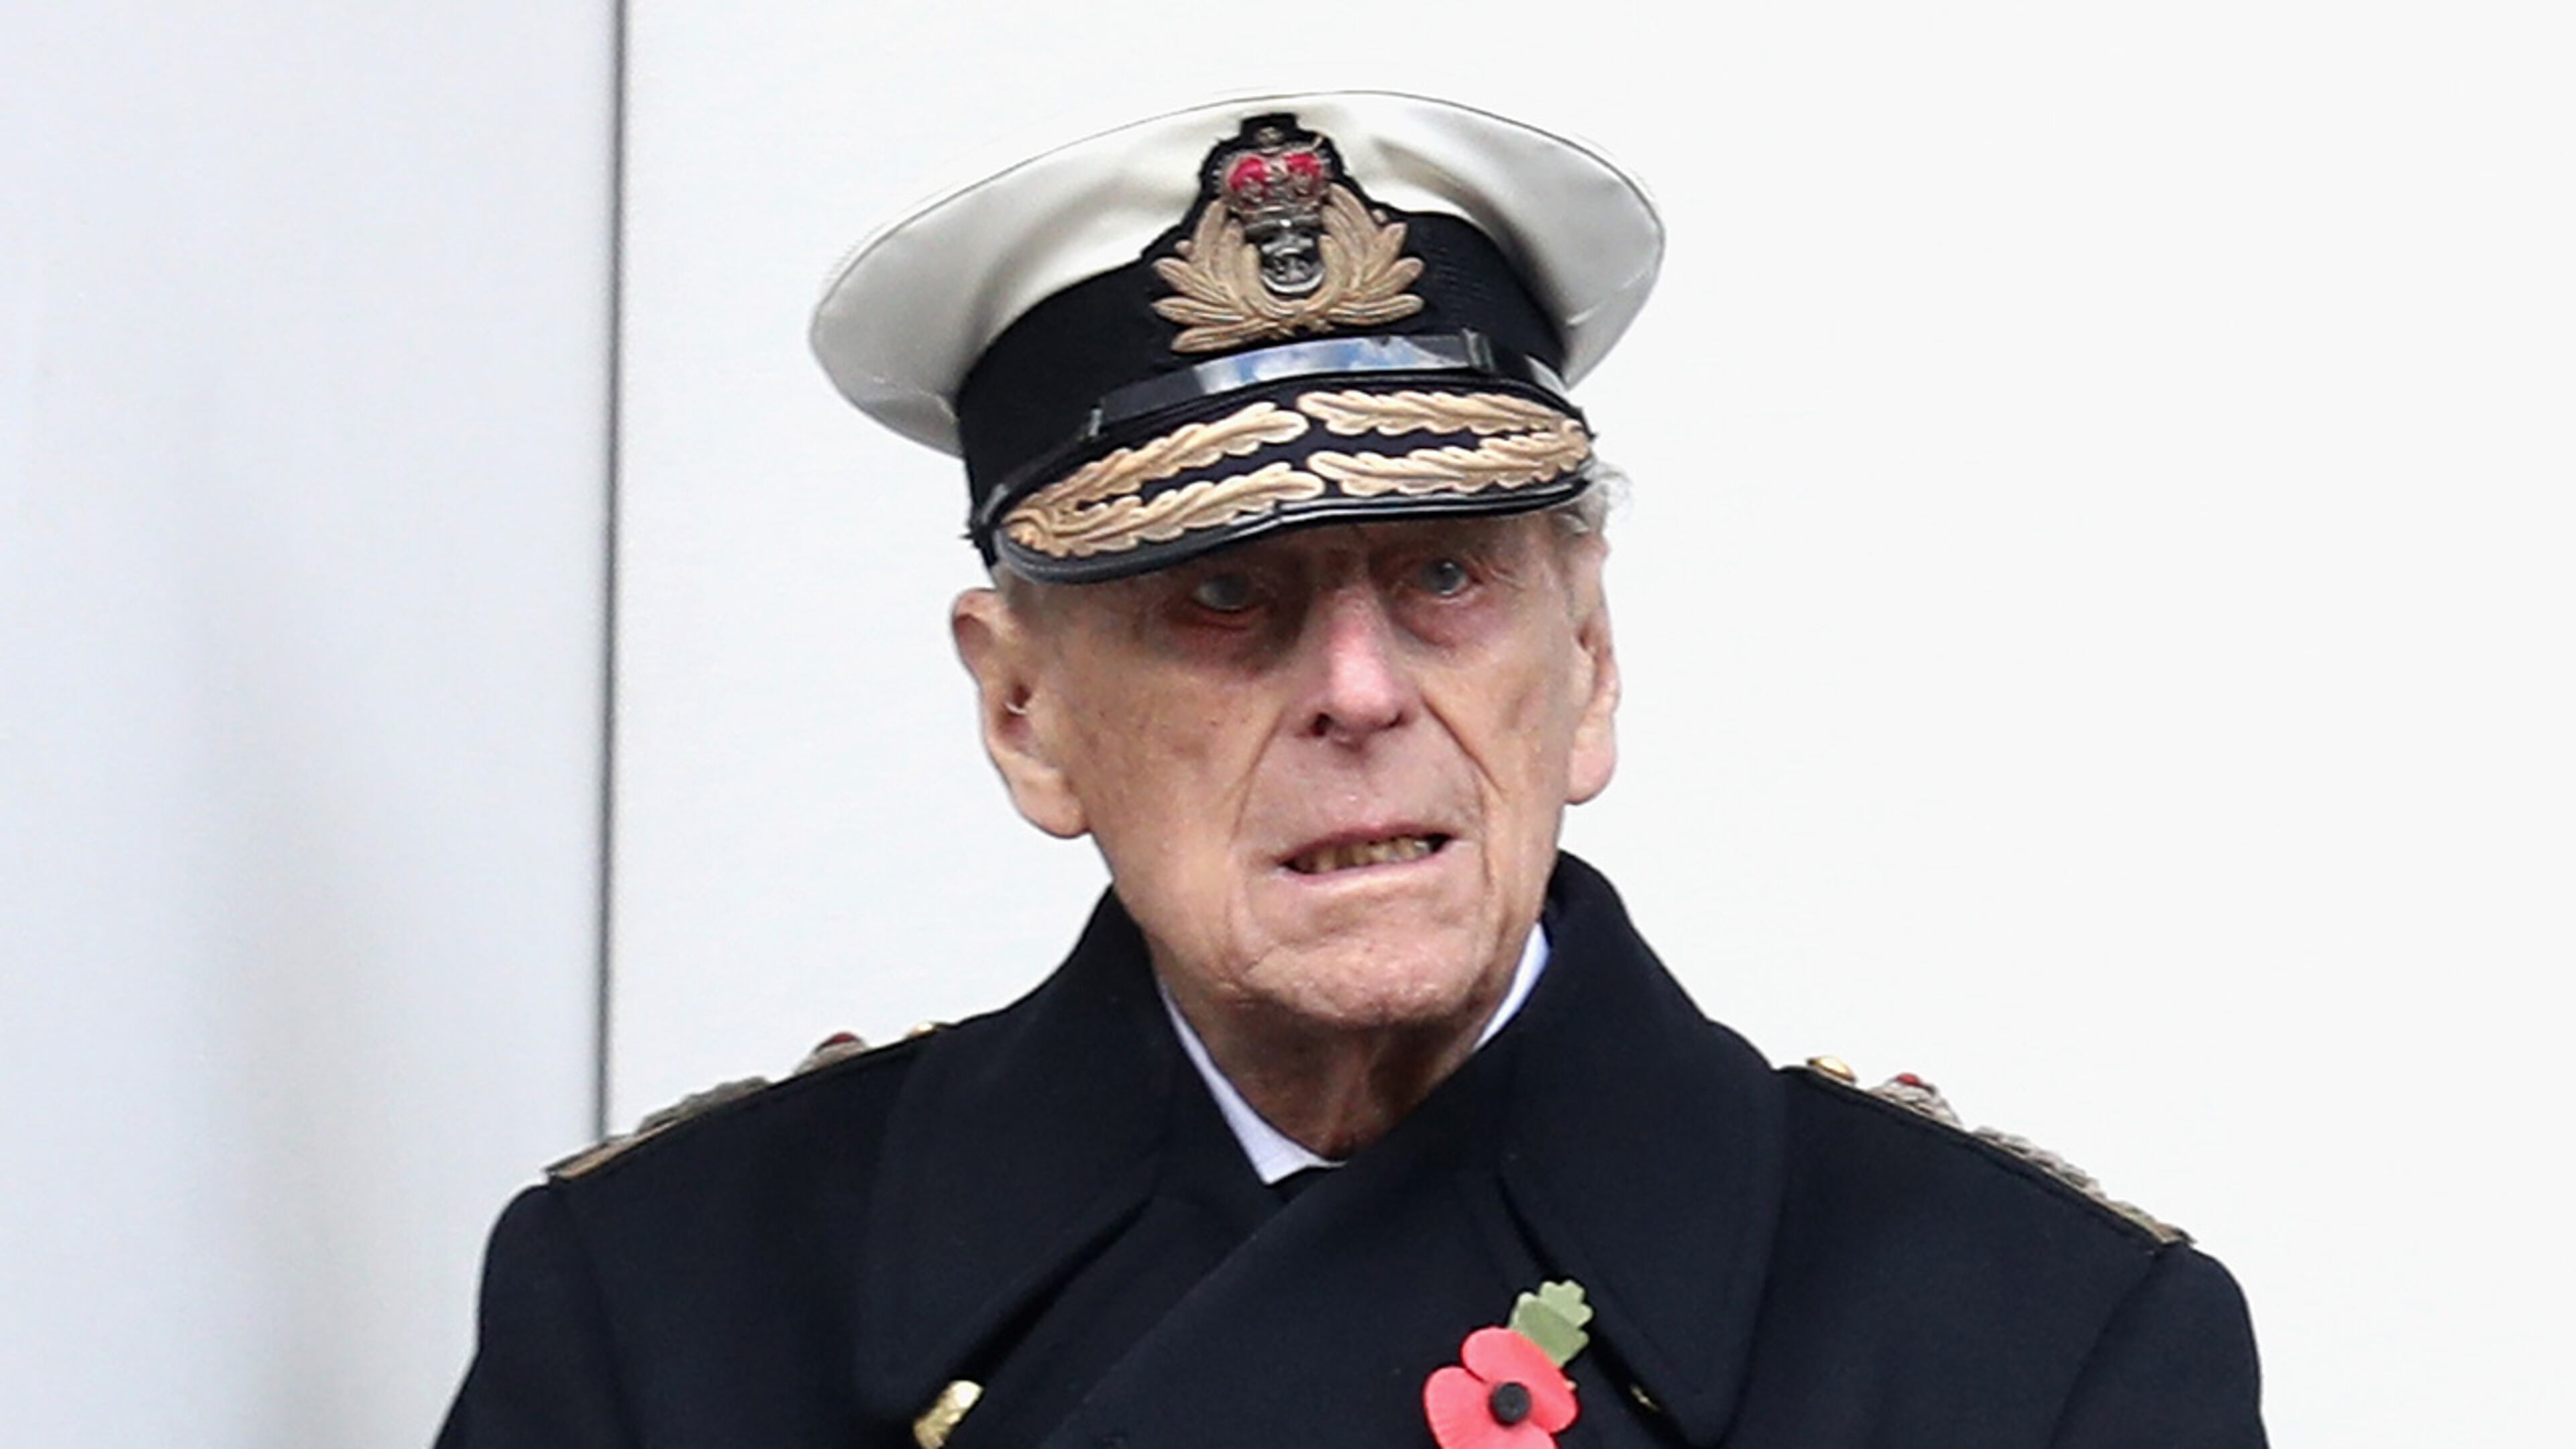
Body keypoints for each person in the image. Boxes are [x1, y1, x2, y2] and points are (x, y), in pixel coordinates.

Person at [437, 91, 2265, 1448]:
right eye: (1225, 597)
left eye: (1448, 577)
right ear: (1024, 714)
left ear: (1592, 659)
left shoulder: (2034, 1352)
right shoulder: (664, 1313)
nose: (1362, 691)